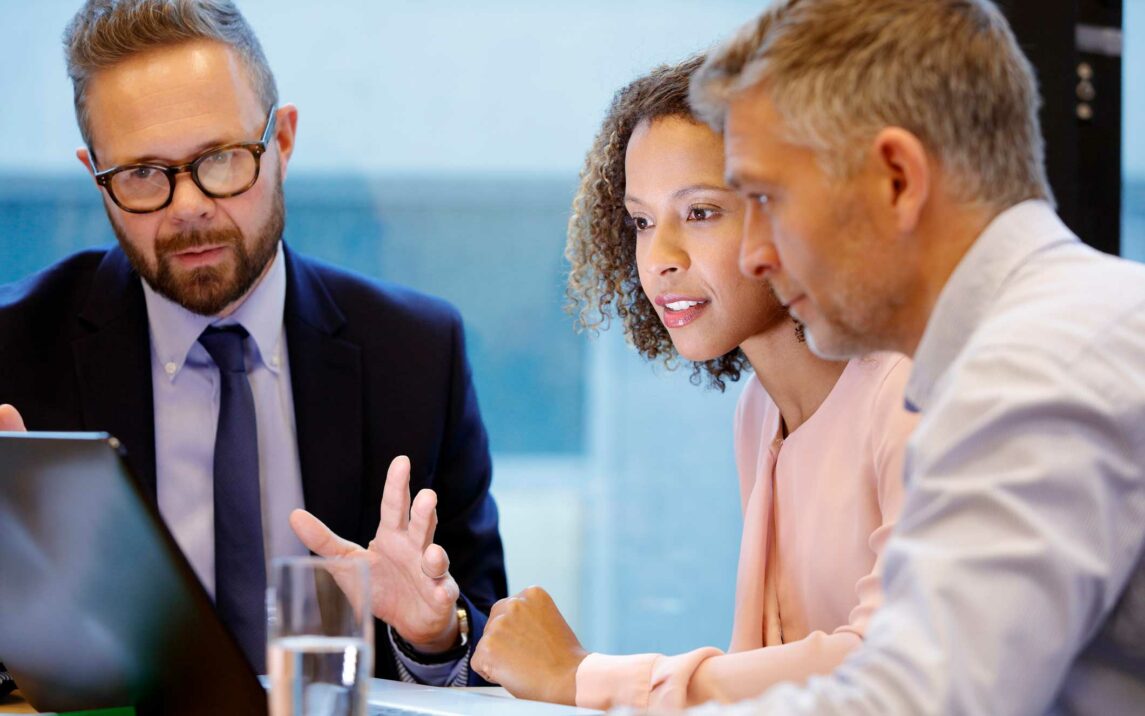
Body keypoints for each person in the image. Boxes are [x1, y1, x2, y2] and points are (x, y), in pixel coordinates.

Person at [0, 0, 505, 686]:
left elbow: (487, 651)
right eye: (142, 174)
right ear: (97, 176)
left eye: (221, 159)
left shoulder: (416, 354)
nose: (188, 206)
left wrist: (433, 635)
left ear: (283, 142)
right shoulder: (14, 353)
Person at [673, 0, 1145, 713]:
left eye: (768, 199)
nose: (754, 255)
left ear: (896, 178)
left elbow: (915, 703)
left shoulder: (1031, 369)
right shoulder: (1079, 321)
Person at [469, 57, 917, 711]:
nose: (659, 259)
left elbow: (894, 663)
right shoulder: (759, 411)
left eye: (700, 212)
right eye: (642, 222)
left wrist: (583, 676)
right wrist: (443, 632)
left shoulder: (909, 391)